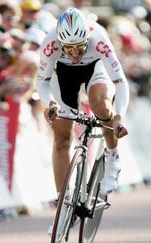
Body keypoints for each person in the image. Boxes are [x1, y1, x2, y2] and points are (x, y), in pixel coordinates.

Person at [36, 7, 129, 203]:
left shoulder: (98, 38)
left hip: (95, 68)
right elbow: (42, 81)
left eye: (80, 46)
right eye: (69, 48)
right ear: (60, 42)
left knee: (101, 106)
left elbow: (120, 82)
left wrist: (119, 115)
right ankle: (64, 202)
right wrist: (50, 102)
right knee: (61, 137)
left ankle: (113, 157)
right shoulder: (50, 42)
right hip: (63, 73)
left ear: (87, 38)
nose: (75, 54)